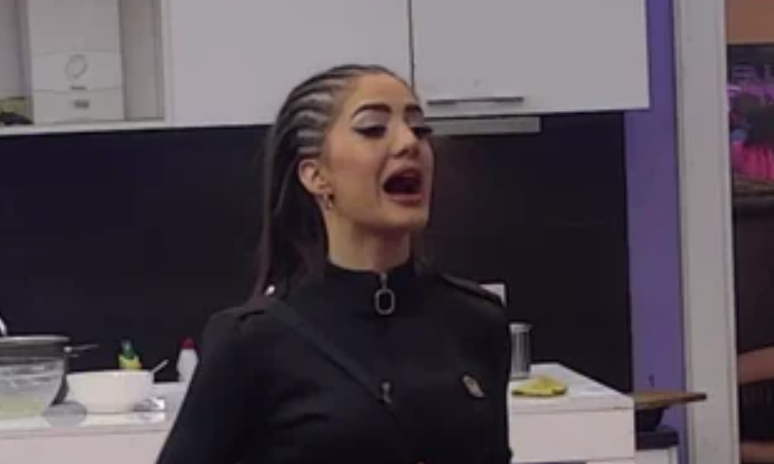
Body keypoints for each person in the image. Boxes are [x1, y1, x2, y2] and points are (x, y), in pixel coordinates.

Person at [156, 64, 512, 464]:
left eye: (419, 129)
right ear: (316, 176)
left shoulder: (477, 321)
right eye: (373, 128)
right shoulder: (252, 340)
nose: (409, 142)